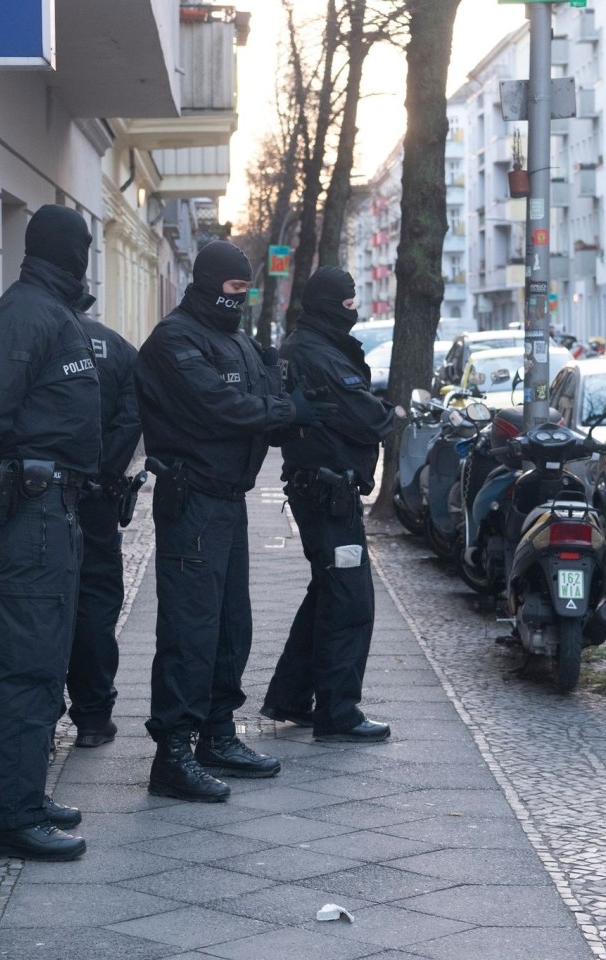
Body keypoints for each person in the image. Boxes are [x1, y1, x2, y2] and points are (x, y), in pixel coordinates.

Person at [134, 240, 336, 802]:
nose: (238, 298)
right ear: (205, 284)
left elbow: (261, 403)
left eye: (245, 289)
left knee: (230, 626)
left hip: (228, 500)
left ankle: (217, 732)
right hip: (192, 501)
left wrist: (288, 408)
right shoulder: (175, 341)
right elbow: (217, 408)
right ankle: (172, 753)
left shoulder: (238, 342)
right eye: (231, 288)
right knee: (190, 630)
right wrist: (284, 410)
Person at [0, 204, 101, 862]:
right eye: (83, 248)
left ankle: (25, 794)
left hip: (53, 506)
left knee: (45, 661)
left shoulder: (50, 310)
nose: (86, 257)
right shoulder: (28, 314)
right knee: (28, 664)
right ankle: (9, 820)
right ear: (65, 252)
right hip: (34, 506)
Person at [262, 266, 394, 742]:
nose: (354, 310)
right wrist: (386, 413)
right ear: (333, 305)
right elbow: (367, 418)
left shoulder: (303, 346)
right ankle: (338, 712)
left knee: (328, 592)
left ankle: (291, 697)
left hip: (317, 488)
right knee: (349, 601)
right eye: (349, 302)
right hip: (328, 494)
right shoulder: (316, 353)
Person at [65, 301, 142, 749]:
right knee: (97, 601)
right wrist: (104, 470)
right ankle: (94, 717)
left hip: (47, 494)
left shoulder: (41, 334)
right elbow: (133, 419)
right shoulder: (117, 348)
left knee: (46, 604)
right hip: (98, 499)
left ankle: (42, 717)